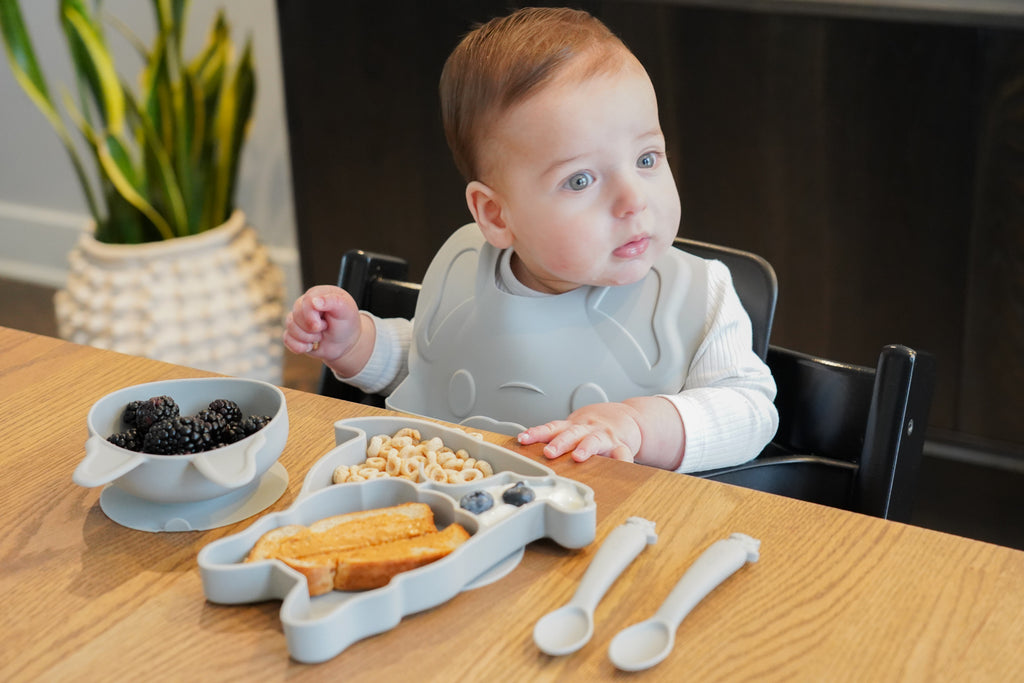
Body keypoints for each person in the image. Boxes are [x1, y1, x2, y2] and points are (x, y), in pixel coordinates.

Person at [284, 7, 778, 473]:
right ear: (496, 215)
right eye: (580, 180)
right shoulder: (465, 272)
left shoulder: (698, 296)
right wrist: (357, 344)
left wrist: (641, 426)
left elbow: (750, 409)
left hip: (622, 521)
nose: (633, 200)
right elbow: (436, 363)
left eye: (646, 159)